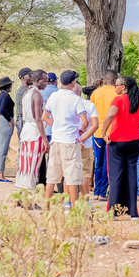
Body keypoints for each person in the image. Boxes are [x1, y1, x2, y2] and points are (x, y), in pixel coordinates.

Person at [100, 76, 139, 220]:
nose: (115, 87)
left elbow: (110, 115)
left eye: (117, 85)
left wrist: (103, 132)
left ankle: (112, 212)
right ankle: (133, 212)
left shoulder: (118, 100)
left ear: (124, 87)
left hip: (117, 142)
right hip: (134, 142)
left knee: (115, 176)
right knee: (131, 175)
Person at [42, 70, 89, 211]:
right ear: (73, 82)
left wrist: (56, 125)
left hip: (56, 140)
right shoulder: (75, 99)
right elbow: (85, 122)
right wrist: (79, 132)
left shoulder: (54, 96)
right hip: (70, 141)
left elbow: (45, 117)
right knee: (72, 177)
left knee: (52, 177)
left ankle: (46, 209)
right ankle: (74, 209)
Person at [16, 70, 49, 191]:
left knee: (24, 166)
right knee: (33, 166)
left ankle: (19, 193)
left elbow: (21, 113)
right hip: (35, 132)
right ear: (37, 80)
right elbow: (38, 119)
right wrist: (45, 139)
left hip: (26, 130)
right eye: (44, 81)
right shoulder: (37, 95)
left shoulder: (26, 94)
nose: (46, 83)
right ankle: (29, 196)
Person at [90, 69, 119, 201]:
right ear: (114, 80)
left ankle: (96, 191)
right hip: (112, 132)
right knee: (109, 164)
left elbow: (91, 112)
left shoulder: (95, 93)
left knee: (98, 163)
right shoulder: (117, 93)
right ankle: (103, 192)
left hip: (97, 132)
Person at [76, 83, 99, 199]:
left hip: (68, 142)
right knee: (84, 174)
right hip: (86, 143)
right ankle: (85, 201)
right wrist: (83, 138)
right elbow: (94, 125)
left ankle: (69, 201)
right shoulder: (89, 105)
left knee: (69, 174)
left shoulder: (64, 104)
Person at [0, 76, 15, 182]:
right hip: (5, 121)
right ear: (8, 86)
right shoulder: (6, 96)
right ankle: (1, 174)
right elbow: (3, 109)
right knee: (3, 149)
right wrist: (9, 120)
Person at [14, 67, 32, 141]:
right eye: (29, 75)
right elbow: (21, 110)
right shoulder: (22, 91)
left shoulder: (29, 89)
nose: (32, 77)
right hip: (22, 120)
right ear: (23, 79)